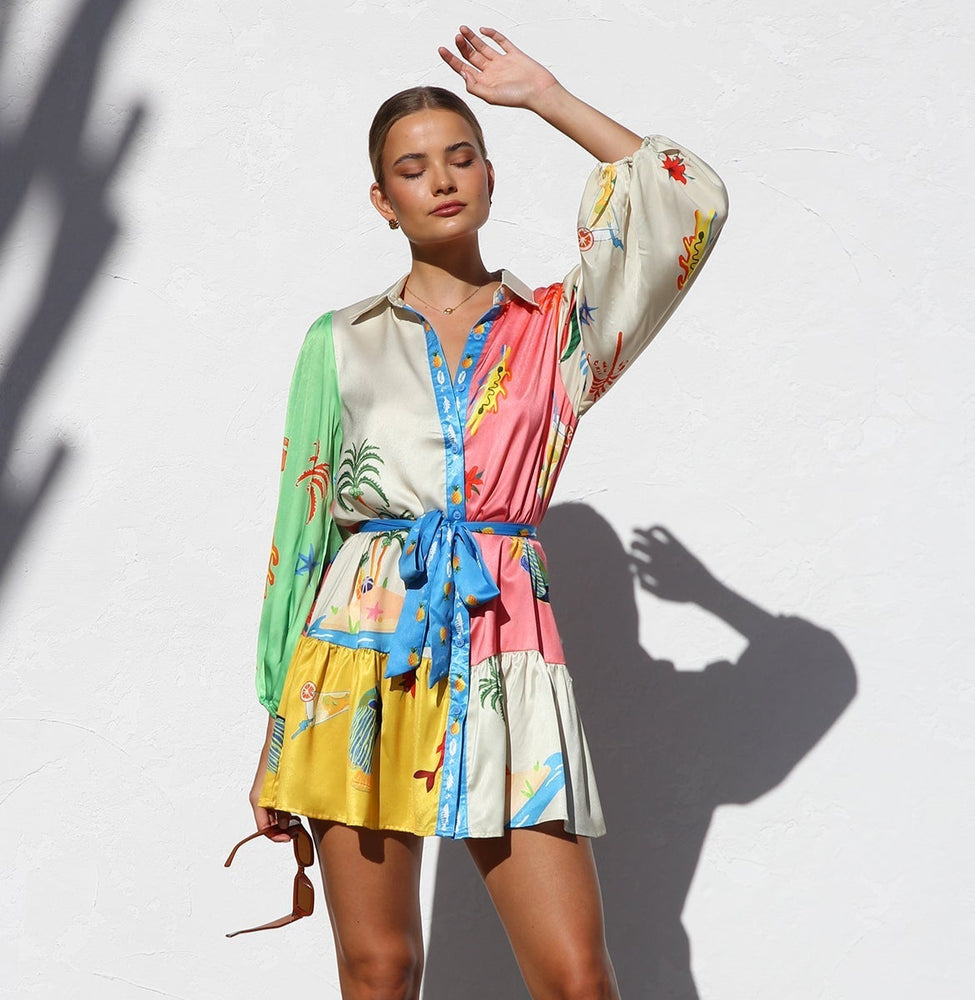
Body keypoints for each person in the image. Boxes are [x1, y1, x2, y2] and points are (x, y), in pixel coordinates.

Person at [244, 24, 728, 1000]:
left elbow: (688, 201)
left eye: (461, 156)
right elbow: (301, 538)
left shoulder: (558, 331)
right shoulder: (337, 342)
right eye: (412, 168)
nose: (441, 179)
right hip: (357, 656)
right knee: (380, 968)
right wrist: (274, 723)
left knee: (576, 977)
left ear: (491, 177)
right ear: (382, 201)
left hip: (508, 649)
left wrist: (546, 96)